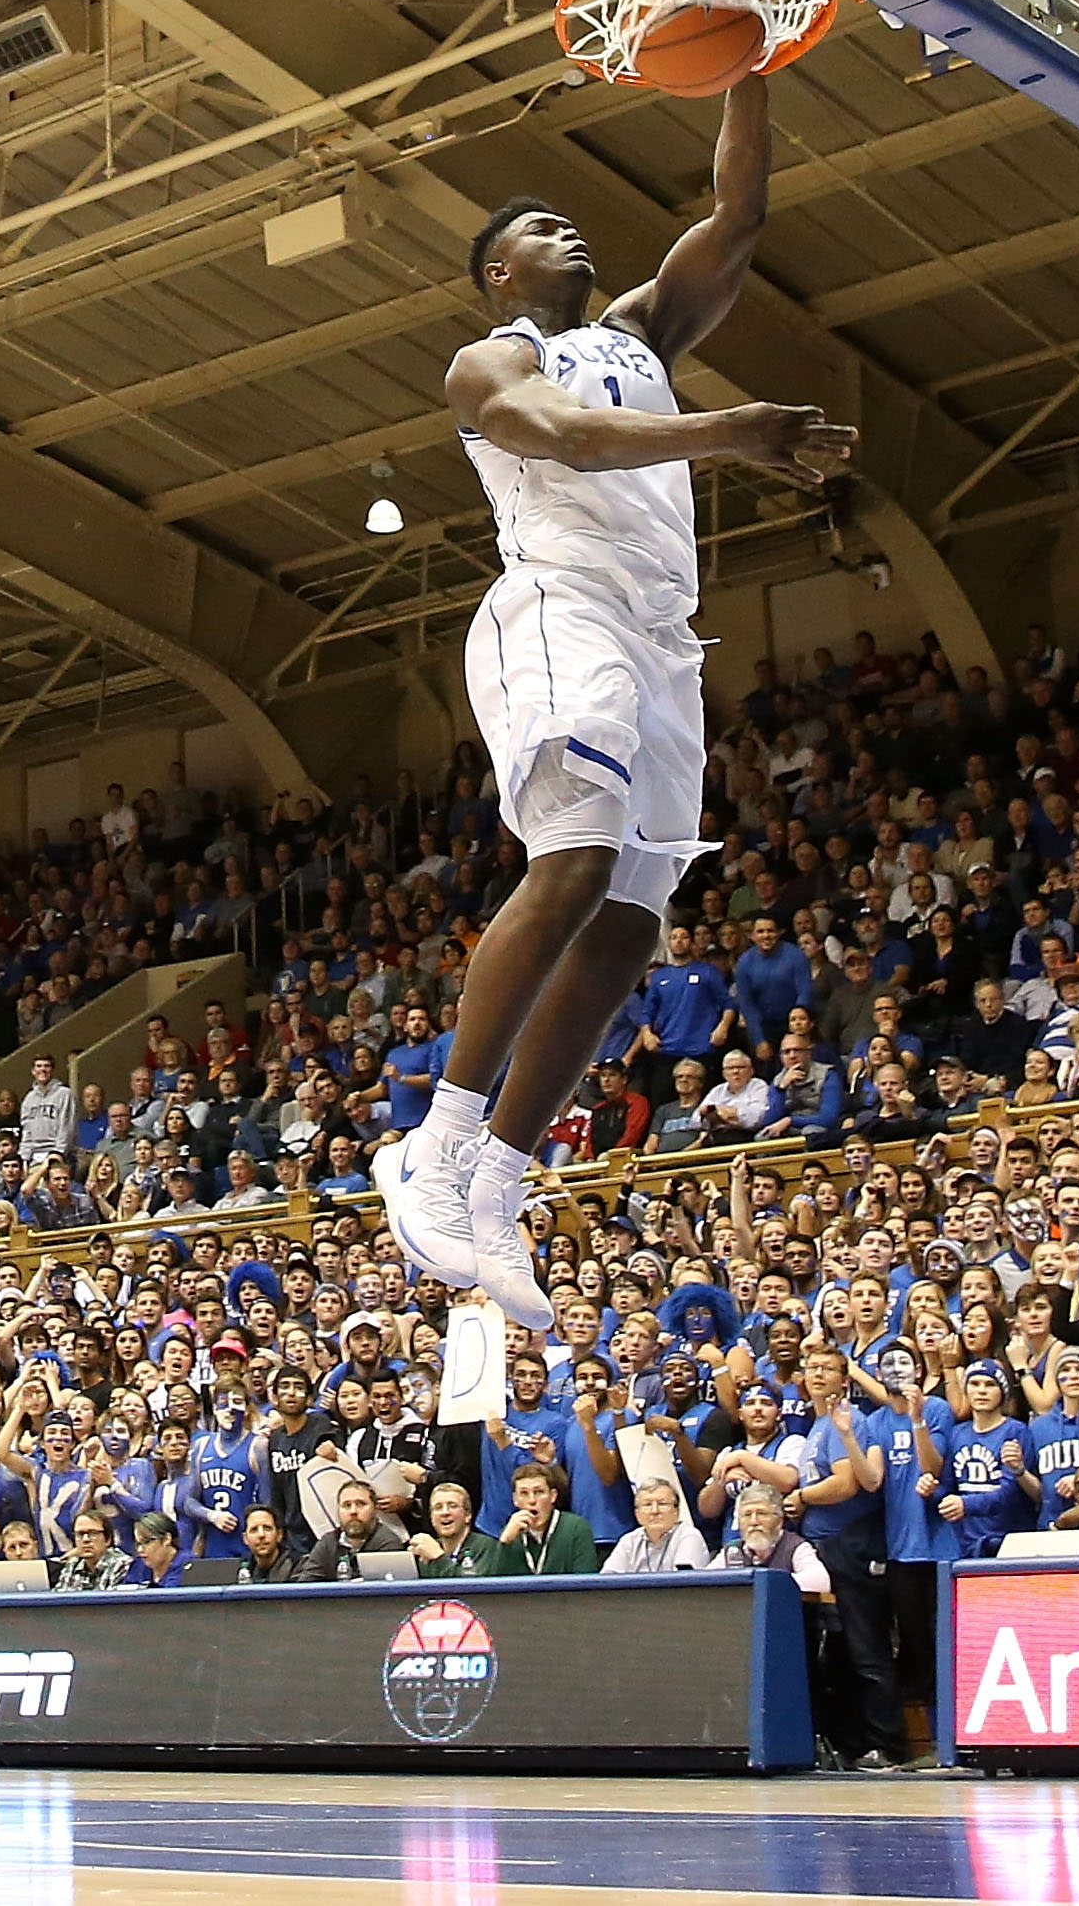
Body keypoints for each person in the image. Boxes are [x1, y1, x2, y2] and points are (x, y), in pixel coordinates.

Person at [380, 132, 855, 1330]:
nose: (568, 234)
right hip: (560, 606)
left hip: (660, 635)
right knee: (576, 864)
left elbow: (737, 215)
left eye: (567, 223)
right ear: (497, 271)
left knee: (631, 921)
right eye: (536, 230)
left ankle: (499, 1177)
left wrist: (750, 56)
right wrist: (732, 430)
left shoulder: (639, 335)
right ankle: (434, 1145)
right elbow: (570, 437)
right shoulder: (493, 356)